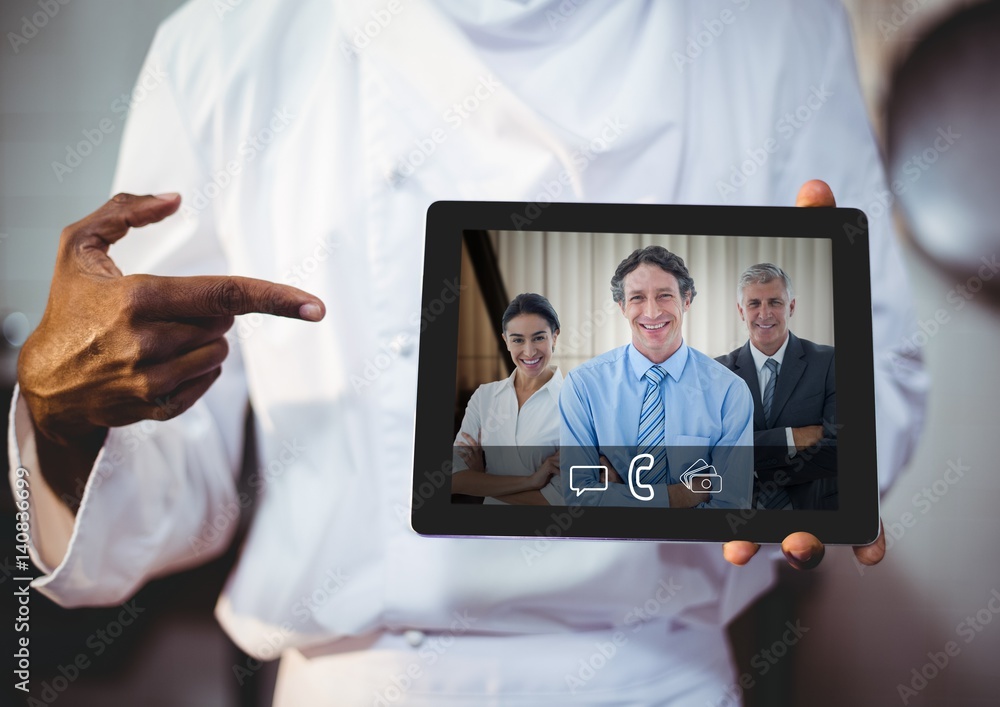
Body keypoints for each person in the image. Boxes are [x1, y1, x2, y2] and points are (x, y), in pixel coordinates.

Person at [7, 1, 921, 704]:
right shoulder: (232, 39)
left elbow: (879, 370)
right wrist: (66, 418)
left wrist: (818, 444)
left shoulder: (775, 27)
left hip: (651, 677)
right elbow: (176, 482)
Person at [559, 246, 754, 508]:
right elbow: (578, 497)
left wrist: (619, 496)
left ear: (686, 300)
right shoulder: (583, 386)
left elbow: (731, 506)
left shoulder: (729, 392)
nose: (651, 312)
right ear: (622, 306)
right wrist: (679, 496)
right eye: (637, 297)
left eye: (664, 296)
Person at [717, 264, 838, 510]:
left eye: (774, 302)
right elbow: (716, 454)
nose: (764, 314)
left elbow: (840, 449)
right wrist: (792, 438)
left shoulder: (829, 361)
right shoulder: (719, 373)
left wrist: (757, 470)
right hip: (736, 518)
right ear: (741, 311)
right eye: (754, 304)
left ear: (791, 306)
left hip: (814, 514)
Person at [452, 293, 562, 505]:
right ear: (506, 341)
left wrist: (481, 481)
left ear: (554, 337)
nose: (529, 352)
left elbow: (556, 500)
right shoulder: (484, 397)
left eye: (539, 337)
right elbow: (455, 480)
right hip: (488, 532)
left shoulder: (573, 403)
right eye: (518, 340)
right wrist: (532, 481)